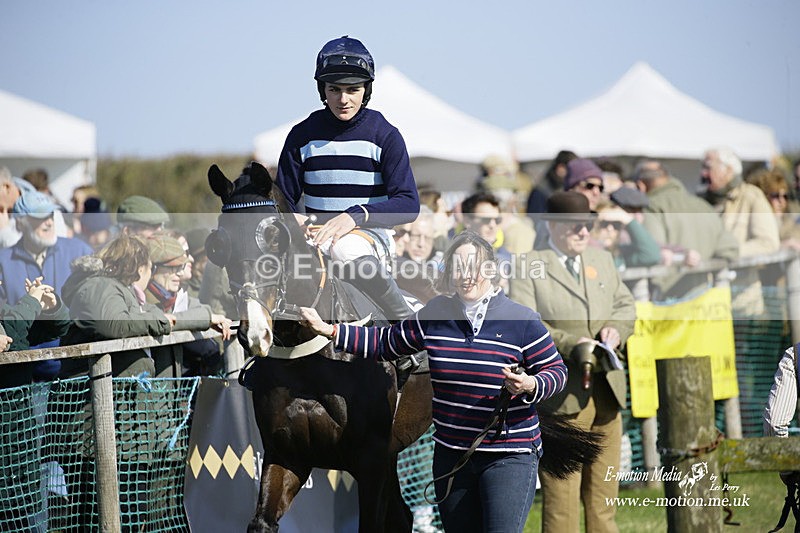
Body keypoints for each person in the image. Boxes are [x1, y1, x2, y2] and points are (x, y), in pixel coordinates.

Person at [299, 231, 567, 533]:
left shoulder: (523, 320)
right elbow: (385, 342)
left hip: (509, 455)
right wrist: (331, 330)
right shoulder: (436, 313)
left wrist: (531, 385)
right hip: (452, 455)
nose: (467, 275)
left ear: (491, 269)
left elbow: (556, 372)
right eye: (458, 267)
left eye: (475, 266)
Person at [509, 191, 636, 533]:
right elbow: (526, 324)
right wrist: (570, 343)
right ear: (552, 225)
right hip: (561, 396)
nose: (583, 231)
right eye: (574, 225)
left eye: (587, 225)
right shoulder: (528, 265)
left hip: (607, 391)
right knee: (561, 503)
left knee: (604, 498)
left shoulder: (602, 259)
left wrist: (617, 329)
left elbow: (626, 305)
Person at [274, 35, 419, 321]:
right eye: (334, 90)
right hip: (314, 238)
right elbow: (282, 199)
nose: (343, 99)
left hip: (368, 237)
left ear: (366, 90)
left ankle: (404, 323)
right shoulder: (301, 135)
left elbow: (409, 203)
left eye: (353, 90)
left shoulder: (385, 135)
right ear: (323, 90)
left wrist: (355, 216)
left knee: (344, 248)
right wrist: (293, 219)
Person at [633, 159, 740, 300]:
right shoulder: (703, 206)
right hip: (705, 300)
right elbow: (730, 249)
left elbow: (651, 254)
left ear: (641, 186)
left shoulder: (650, 208)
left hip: (666, 304)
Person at [701, 146, 780, 316]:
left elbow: (768, 243)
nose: (703, 174)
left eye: (708, 167)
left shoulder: (751, 196)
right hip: (706, 304)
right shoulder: (700, 201)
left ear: (728, 170)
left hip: (742, 305)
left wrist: (728, 252)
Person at [144, 233, 230, 377]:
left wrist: (207, 318)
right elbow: (164, 320)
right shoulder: (142, 299)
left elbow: (201, 309)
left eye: (180, 267)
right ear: (152, 269)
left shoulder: (171, 297)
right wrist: (207, 319)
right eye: (172, 268)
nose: (179, 273)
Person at [526, 150, 577, 215]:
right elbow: (535, 218)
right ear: (560, 168)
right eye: (572, 170)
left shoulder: (565, 187)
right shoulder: (541, 191)